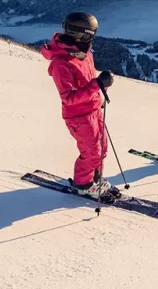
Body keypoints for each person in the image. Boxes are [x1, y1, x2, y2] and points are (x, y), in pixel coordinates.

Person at [41, 12, 117, 200]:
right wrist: (96, 85)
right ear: (81, 35)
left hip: (93, 110)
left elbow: (88, 80)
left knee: (102, 149)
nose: (93, 38)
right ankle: (83, 184)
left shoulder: (85, 54)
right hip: (78, 116)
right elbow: (68, 97)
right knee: (91, 152)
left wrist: (100, 87)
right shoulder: (61, 63)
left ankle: (95, 178)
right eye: (91, 34)